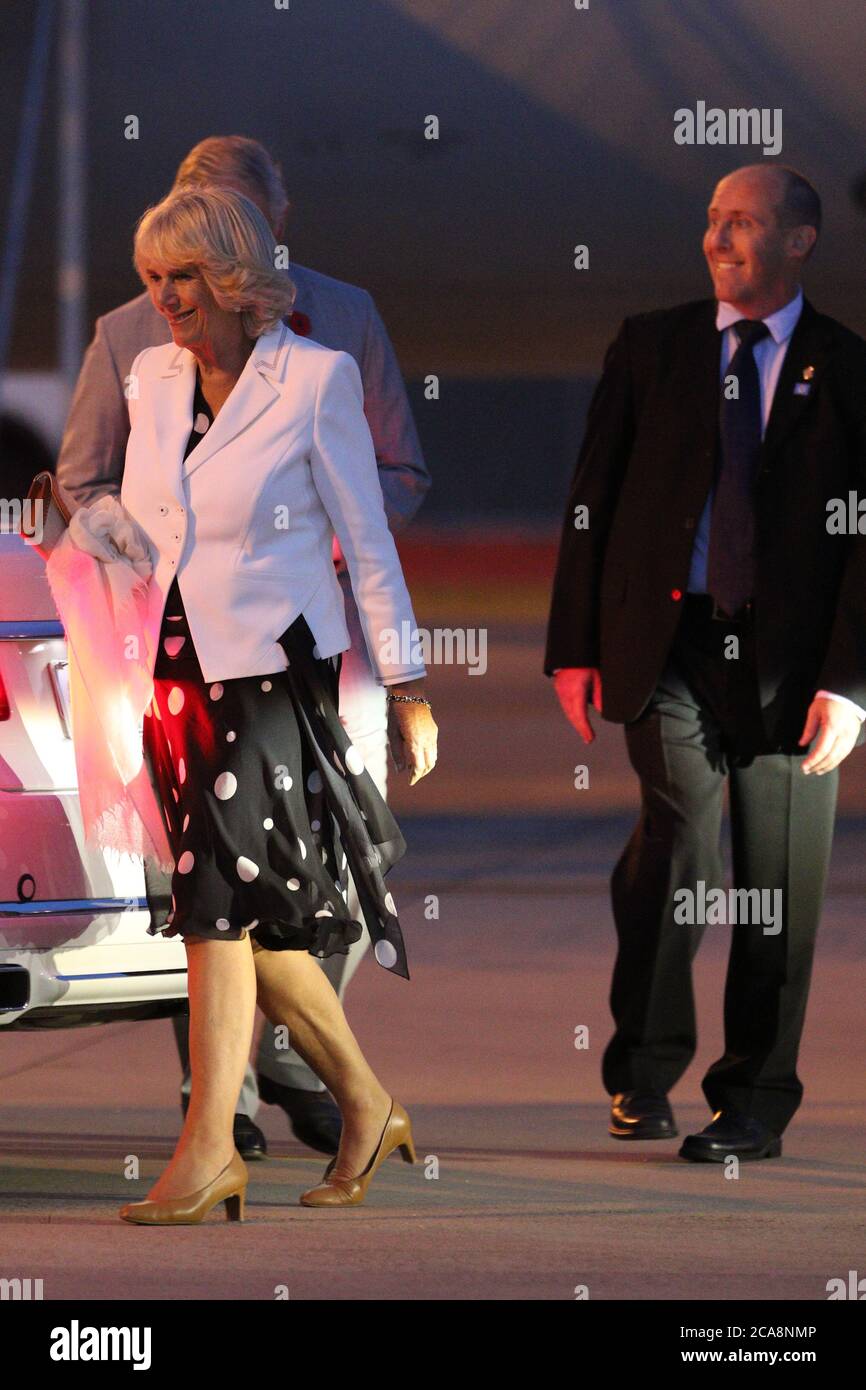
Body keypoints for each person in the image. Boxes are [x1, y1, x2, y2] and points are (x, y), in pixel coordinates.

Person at [56, 135, 430, 1160]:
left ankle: (252, 1114)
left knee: (259, 897)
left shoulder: (323, 358)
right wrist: (101, 529)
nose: (167, 294)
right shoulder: (144, 366)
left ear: (247, 249)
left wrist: (407, 677)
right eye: (155, 274)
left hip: (283, 666)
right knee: (215, 898)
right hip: (171, 666)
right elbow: (99, 491)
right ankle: (267, 1107)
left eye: (187, 270)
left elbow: (373, 517)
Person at [545, 164, 866, 1161]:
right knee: (683, 840)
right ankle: (642, 1069)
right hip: (669, 644)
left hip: (789, 665)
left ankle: (754, 1097)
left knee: (776, 875)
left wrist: (849, 688)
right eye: (711, 221)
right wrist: (572, 647)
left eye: (743, 223)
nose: (717, 239)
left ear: (799, 241)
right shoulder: (652, 346)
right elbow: (590, 496)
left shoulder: (846, 369)